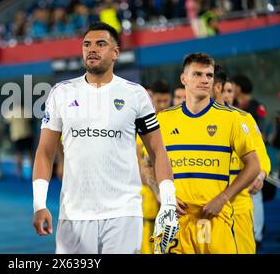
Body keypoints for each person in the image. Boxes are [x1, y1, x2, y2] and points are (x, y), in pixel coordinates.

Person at [32, 22, 178, 254]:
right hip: (74, 215)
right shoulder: (61, 93)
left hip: (124, 213)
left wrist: (168, 201)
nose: (92, 49)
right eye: (87, 44)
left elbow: (158, 150)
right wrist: (39, 204)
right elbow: (45, 152)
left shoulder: (135, 94)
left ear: (116, 53)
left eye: (101, 44)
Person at [157, 52, 260, 254]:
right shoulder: (163, 119)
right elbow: (147, 163)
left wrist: (223, 198)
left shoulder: (232, 119)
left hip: (214, 219)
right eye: (197, 74)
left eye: (209, 75)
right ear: (183, 78)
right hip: (176, 221)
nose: (204, 80)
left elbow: (254, 165)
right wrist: (162, 193)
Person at [212, 66, 271, 253]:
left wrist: (260, 176)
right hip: (208, 206)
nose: (228, 96)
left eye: (230, 91)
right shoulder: (196, 121)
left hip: (239, 204)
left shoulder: (245, 119)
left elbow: (262, 157)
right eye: (224, 90)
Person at [232, 74, 268, 249]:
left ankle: (258, 234)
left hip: (251, 163)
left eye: (231, 89)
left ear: (238, 88)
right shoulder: (234, 111)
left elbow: (261, 135)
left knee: (255, 193)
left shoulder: (253, 108)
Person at [139, 79, 171, 254]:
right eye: (159, 101)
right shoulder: (143, 123)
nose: (163, 105)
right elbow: (140, 162)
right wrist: (155, 190)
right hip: (148, 191)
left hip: (167, 187)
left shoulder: (170, 122)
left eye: (166, 101)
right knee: (149, 234)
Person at [4, 105, 34, 179]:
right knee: (30, 155)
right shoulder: (27, 111)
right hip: (27, 134)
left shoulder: (12, 112)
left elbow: (6, 122)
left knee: (19, 155)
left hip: (17, 136)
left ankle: (20, 173)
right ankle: (33, 172)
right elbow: (32, 121)